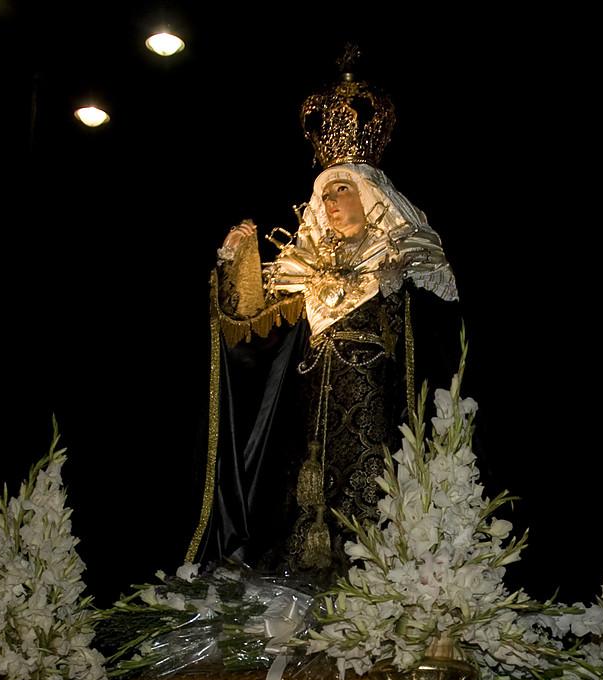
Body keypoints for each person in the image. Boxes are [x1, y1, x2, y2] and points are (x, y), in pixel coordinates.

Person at [189, 60, 458, 574]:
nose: (332, 201)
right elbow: (246, 320)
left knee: (371, 502)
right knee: (304, 501)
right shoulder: (304, 263)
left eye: (343, 189)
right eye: (326, 193)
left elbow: (439, 338)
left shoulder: (406, 256)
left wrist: (398, 287)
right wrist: (239, 258)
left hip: (379, 408)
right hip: (310, 412)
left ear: (371, 192)